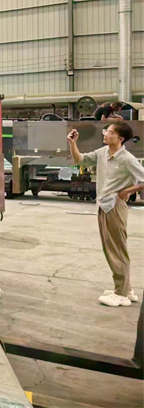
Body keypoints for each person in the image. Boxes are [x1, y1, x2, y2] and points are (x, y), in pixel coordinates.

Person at [67, 123, 144, 307]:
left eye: (110, 132)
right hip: (104, 205)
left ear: (120, 139)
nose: (105, 134)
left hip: (115, 206)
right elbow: (80, 160)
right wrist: (73, 143)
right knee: (112, 248)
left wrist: (128, 191)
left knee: (117, 250)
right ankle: (126, 288)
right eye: (106, 131)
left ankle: (121, 293)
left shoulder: (127, 158)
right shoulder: (103, 152)